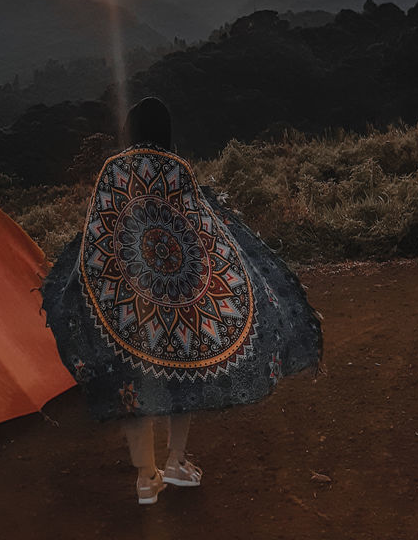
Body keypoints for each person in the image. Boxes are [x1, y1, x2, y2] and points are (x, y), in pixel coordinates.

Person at [41, 96, 324, 505]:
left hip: (127, 299)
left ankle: (145, 477)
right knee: (180, 372)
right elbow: (199, 230)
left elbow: (98, 232)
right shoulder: (178, 170)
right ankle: (175, 462)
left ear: (131, 130)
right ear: (165, 132)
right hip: (177, 296)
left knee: (131, 382)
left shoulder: (113, 170)